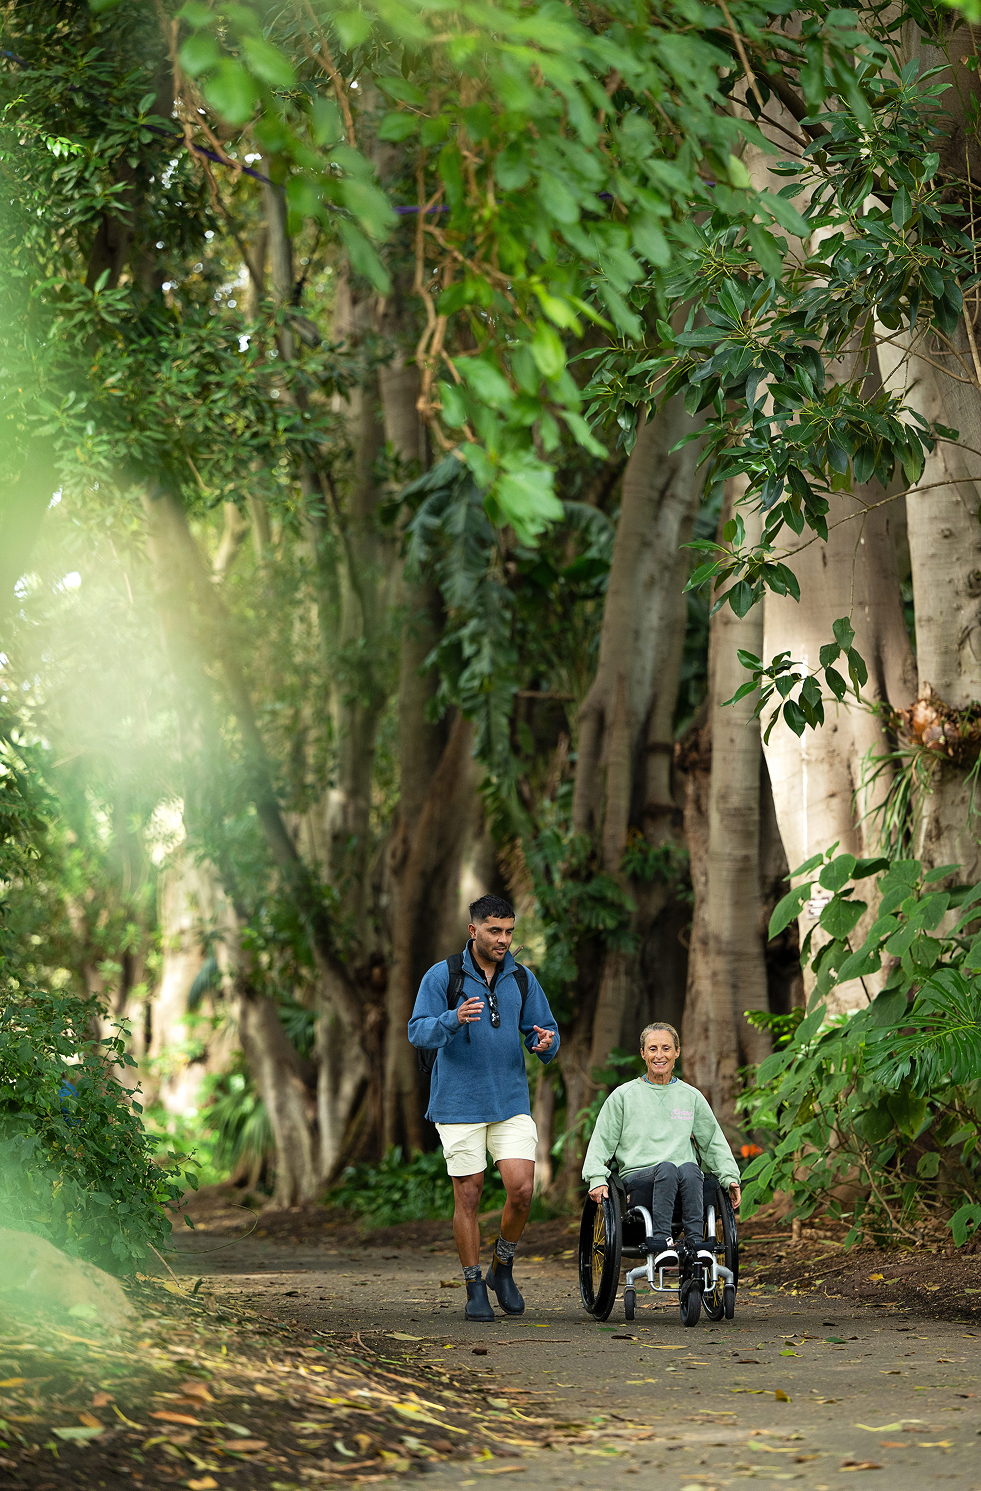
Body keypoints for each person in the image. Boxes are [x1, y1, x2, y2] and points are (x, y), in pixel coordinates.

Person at [408, 894, 560, 1323]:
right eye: (495, 931)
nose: (503, 939)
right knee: (469, 1193)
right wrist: (452, 1019)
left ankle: (502, 1268)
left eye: (509, 931)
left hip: (509, 1100)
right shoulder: (442, 977)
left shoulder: (522, 978)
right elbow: (418, 1031)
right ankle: (474, 1284)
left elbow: (543, 1029)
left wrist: (545, 1043)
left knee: (522, 1190)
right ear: (473, 930)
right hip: (458, 1104)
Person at [582, 1022, 740, 1274]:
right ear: (643, 1053)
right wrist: (596, 1177)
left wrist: (730, 1177)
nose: (659, 1055)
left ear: (677, 1052)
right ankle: (662, 1244)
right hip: (641, 1178)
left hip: (686, 1183)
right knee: (667, 1168)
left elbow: (712, 1141)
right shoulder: (624, 1095)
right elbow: (602, 1140)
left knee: (689, 1167)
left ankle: (697, 1244)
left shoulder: (691, 1096)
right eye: (652, 1049)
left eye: (666, 1048)